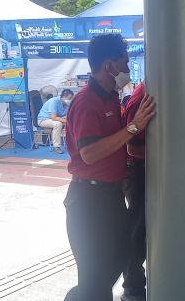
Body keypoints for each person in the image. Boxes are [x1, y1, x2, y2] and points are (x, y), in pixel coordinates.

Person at [64, 34, 156, 301]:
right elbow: (90, 153)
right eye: (125, 62)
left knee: (119, 258)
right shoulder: (86, 101)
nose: (128, 69)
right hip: (89, 200)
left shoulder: (111, 97)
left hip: (111, 195)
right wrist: (134, 126)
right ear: (109, 66)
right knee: (95, 280)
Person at [121, 81, 147, 301]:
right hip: (138, 170)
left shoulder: (160, 93)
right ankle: (133, 287)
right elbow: (132, 146)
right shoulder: (141, 99)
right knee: (138, 230)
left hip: (154, 169)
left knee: (146, 230)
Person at [37, 89, 74, 153]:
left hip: (55, 119)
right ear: (63, 96)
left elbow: (68, 115)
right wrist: (66, 121)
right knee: (58, 124)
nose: (70, 100)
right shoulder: (53, 101)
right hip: (43, 120)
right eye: (69, 98)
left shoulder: (66, 104)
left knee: (72, 122)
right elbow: (53, 117)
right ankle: (56, 147)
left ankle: (74, 143)